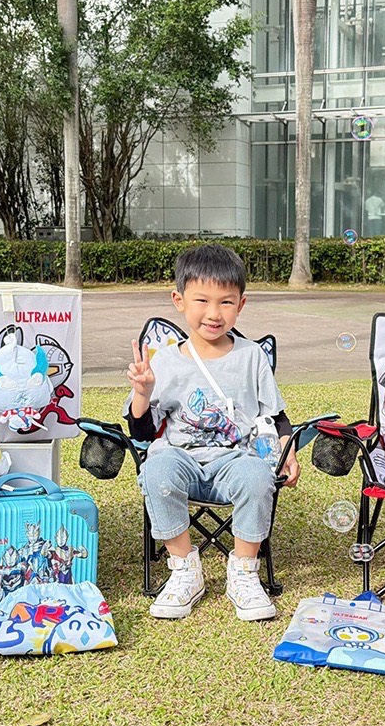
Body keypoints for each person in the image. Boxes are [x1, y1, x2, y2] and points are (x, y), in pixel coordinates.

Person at [124, 244, 300, 621]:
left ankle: (244, 572)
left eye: (226, 302)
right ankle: (184, 570)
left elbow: (276, 415)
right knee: (156, 469)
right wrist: (143, 392)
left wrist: (288, 450)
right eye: (202, 300)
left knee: (257, 476)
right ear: (179, 300)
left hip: (235, 461)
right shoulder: (165, 361)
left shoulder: (252, 356)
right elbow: (141, 430)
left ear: (241, 304)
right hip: (181, 460)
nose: (214, 313)